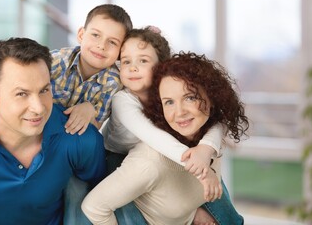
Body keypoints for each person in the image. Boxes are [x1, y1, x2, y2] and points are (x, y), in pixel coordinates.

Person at [81, 28, 249, 224]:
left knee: (218, 197)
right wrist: (200, 168)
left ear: (161, 66)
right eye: (126, 62)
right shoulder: (122, 100)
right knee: (129, 212)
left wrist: (206, 149)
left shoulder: (166, 91)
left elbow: (217, 120)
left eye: (143, 61)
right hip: (117, 157)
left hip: (163, 158)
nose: (133, 68)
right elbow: (154, 136)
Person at [0, 37, 106, 224]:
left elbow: (98, 193)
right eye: (22, 94)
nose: (39, 108)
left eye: (44, 90)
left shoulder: (80, 139)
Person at [0, 3, 133, 152]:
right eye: (95, 35)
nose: (101, 46)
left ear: (121, 51)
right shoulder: (55, 61)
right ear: (81, 34)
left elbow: (91, 132)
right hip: (32, 128)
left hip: (66, 143)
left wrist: (90, 110)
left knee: (76, 185)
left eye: (112, 42)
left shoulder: (114, 82)